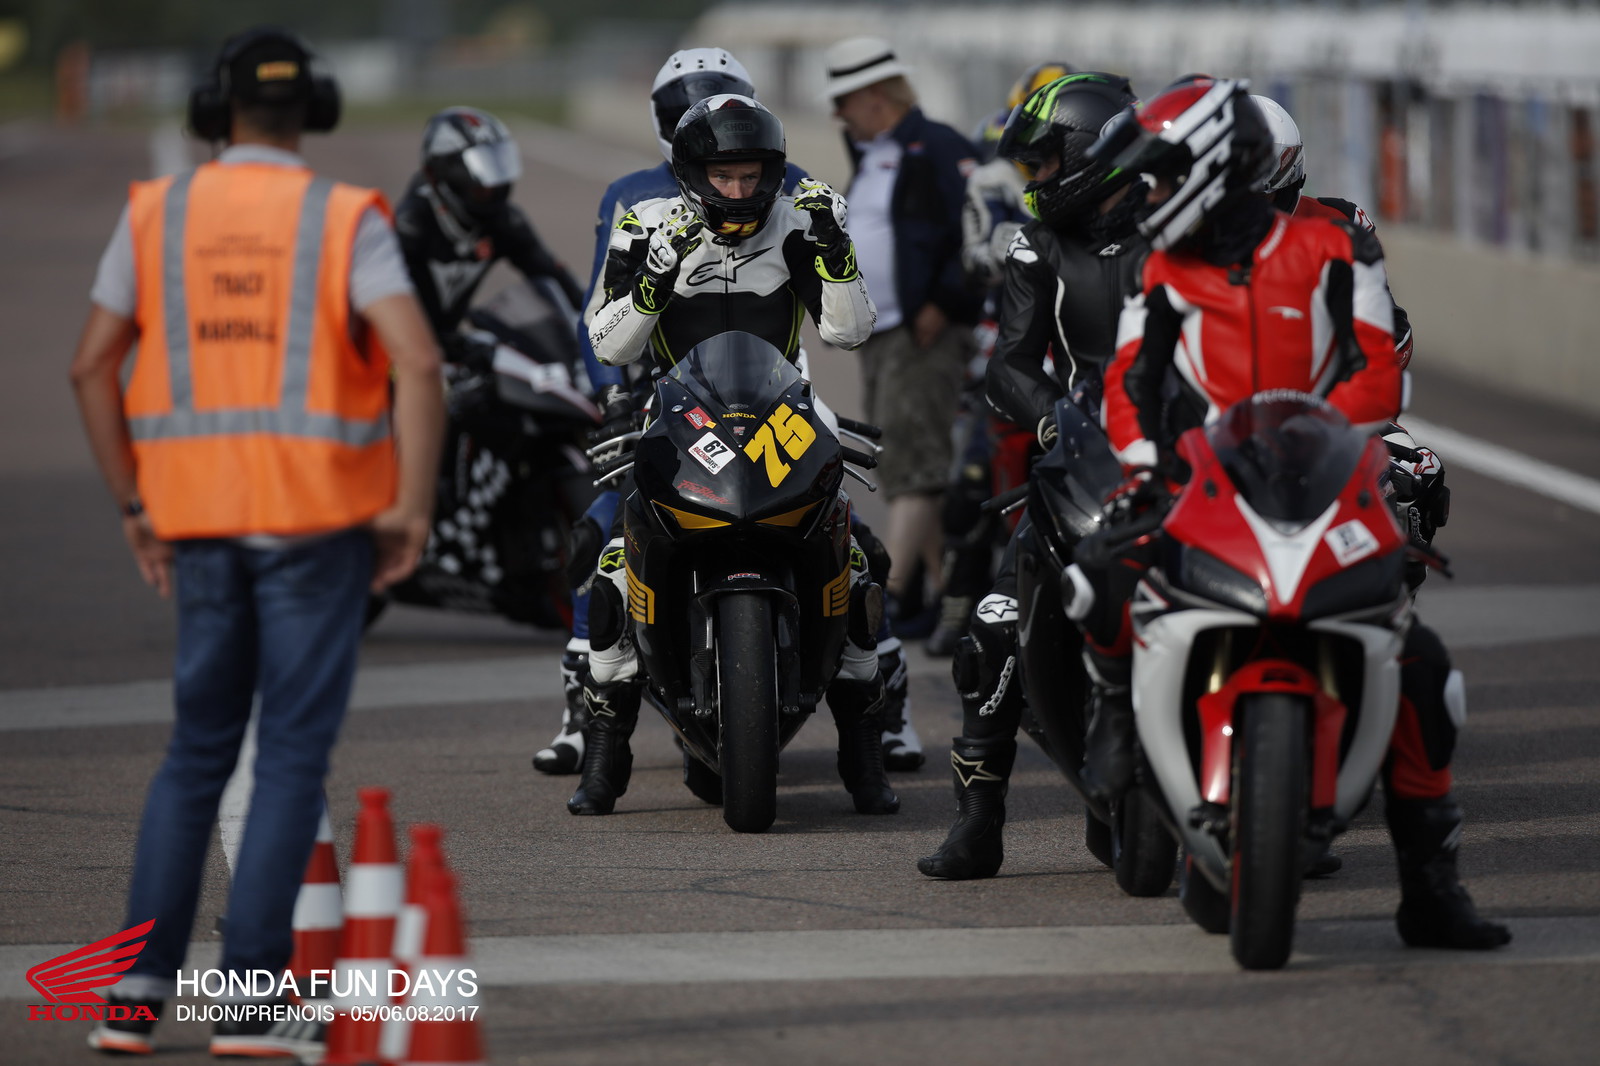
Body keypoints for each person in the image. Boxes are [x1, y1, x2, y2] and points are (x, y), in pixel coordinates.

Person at [73, 27, 445, 1056]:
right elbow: (418, 362)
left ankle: (133, 996)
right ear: (313, 109)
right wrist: (411, 507)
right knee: (286, 755)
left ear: (213, 110)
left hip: (195, 525)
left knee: (195, 753)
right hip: (316, 526)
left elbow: (90, 365)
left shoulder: (157, 212)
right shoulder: (342, 217)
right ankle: (246, 1003)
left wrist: (134, 504)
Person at [1088, 77, 1508, 950]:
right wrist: (1146, 467)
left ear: (1216, 169)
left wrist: (1322, 439)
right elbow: (1128, 383)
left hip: (1325, 470)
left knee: (1421, 664)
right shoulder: (1160, 268)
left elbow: (1377, 368)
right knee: (1099, 573)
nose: (1148, 198)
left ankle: (1432, 889)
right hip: (1203, 476)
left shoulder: (1336, 244)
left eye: (1163, 179)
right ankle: (1121, 724)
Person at [557, 51, 921, 782]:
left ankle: (865, 738)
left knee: (855, 555)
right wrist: (654, 281)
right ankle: (603, 739)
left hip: (782, 407)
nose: (738, 189)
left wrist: (836, 254)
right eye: (723, 177)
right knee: (610, 561)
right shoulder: (644, 223)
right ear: (691, 173)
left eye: (751, 176)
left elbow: (848, 332)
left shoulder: (799, 219)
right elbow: (606, 342)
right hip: (674, 411)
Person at [918, 72, 1150, 880]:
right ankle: (977, 822)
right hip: (1082, 460)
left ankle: (1286, 805)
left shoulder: (1178, 229)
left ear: (1091, 152)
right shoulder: (1035, 243)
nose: (1034, 179)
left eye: (1045, 162)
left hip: (1180, 459)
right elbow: (1011, 365)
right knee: (993, 624)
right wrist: (1058, 419)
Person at [390, 105, 588, 772]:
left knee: (503, 399)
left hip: (448, 342)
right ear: (444, 176)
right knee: (433, 408)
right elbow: (405, 319)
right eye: (481, 178)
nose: (494, 189)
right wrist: (455, 348)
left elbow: (550, 276)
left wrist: (593, 323)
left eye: (498, 175)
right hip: (395, 350)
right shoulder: (410, 226)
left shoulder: (497, 217)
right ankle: (419, 517)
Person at [824, 36, 980, 645]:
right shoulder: (876, 152)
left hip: (923, 333)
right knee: (908, 462)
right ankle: (949, 600)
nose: (838, 115)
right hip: (886, 331)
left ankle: (884, 596)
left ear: (872, 96)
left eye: (842, 102)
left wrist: (942, 301)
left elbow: (977, 229)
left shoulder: (937, 146)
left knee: (914, 468)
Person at [925, 59, 1077, 658]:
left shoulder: (1112, 178)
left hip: (1077, 333)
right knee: (971, 479)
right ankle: (959, 602)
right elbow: (976, 256)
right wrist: (1028, 247)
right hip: (1007, 329)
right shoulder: (994, 176)